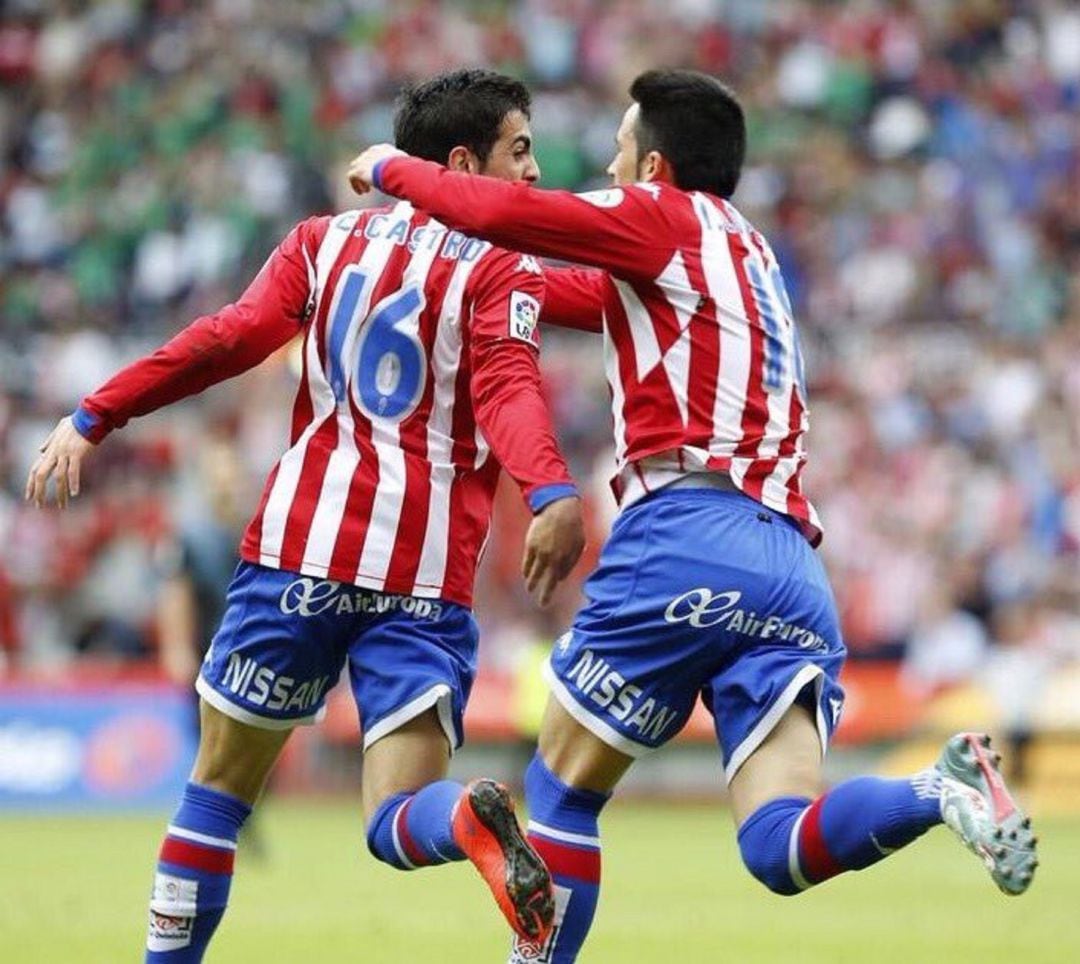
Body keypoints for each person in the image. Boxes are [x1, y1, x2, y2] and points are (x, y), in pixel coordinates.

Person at [347, 68, 1039, 962]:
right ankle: (936, 792)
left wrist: (390, 171)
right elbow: (543, 292)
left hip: (684, 532)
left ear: (657, 165)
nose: (608, 161)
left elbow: (503, 216)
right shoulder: (745, 255)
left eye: (622, 147)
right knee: (779, 845)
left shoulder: (660, 218)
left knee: (558, 796)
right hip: (789, 561)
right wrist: (449, 285)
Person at [26, 68, 587, 961]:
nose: (533, 169)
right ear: (459, 161)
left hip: (299, 554)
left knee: (216, 792)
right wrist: (550, 490)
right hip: (421, 573)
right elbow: (512, 390)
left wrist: (98, 413)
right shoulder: (501, 267)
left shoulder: (324, 243)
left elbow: (226, 339)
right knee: (396, 817)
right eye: (519, 150)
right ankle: (468, 823)